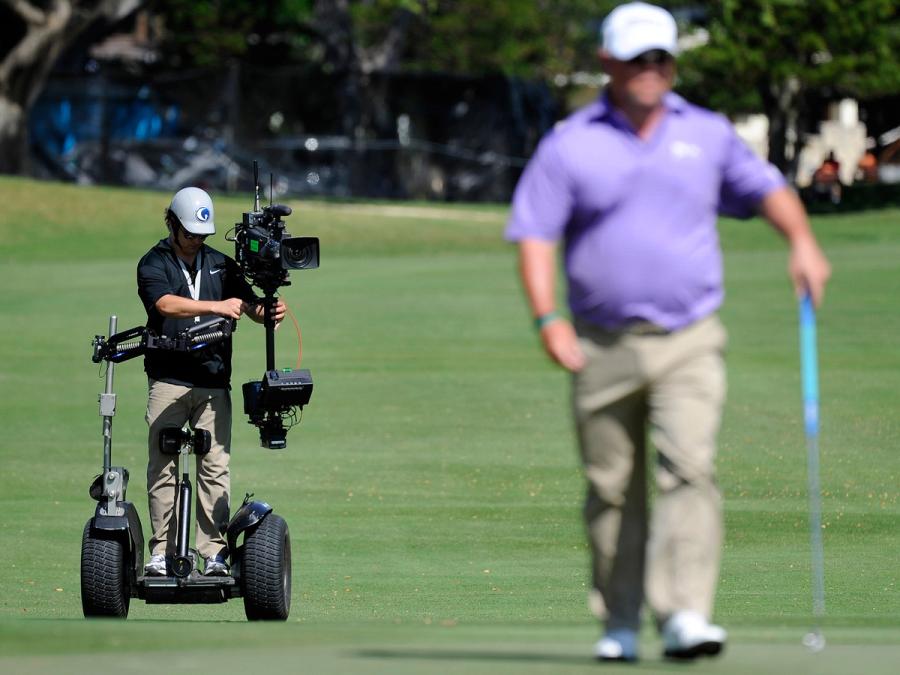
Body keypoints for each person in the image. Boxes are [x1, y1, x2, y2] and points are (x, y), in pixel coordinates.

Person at [505, 2, 831, 662]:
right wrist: (547, 316)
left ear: (673, 64)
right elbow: (536, 234)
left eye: (660, 59)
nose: (650, 71)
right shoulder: (571, 143)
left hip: (690, 337)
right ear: (607, 64)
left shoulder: (706, 134)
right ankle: (621, 620)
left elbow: (765, 187)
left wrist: (800, 240)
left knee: (690, 466)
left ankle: (685, 612)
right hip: (600, 341)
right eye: (636, 60)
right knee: (612, 487)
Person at [137, 187, 285, 577]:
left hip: (214, 380)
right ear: (173, 225)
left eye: (202, 234)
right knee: (163, 465)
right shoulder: (154, 262)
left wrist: (265, 310)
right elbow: (164, 304)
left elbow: (247, 304)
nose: (196, 240)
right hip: (169, 380)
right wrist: (215, 307)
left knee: (215, 467)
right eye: (190, 234)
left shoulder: (221, 264)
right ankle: (161, 553)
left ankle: (214, 553)